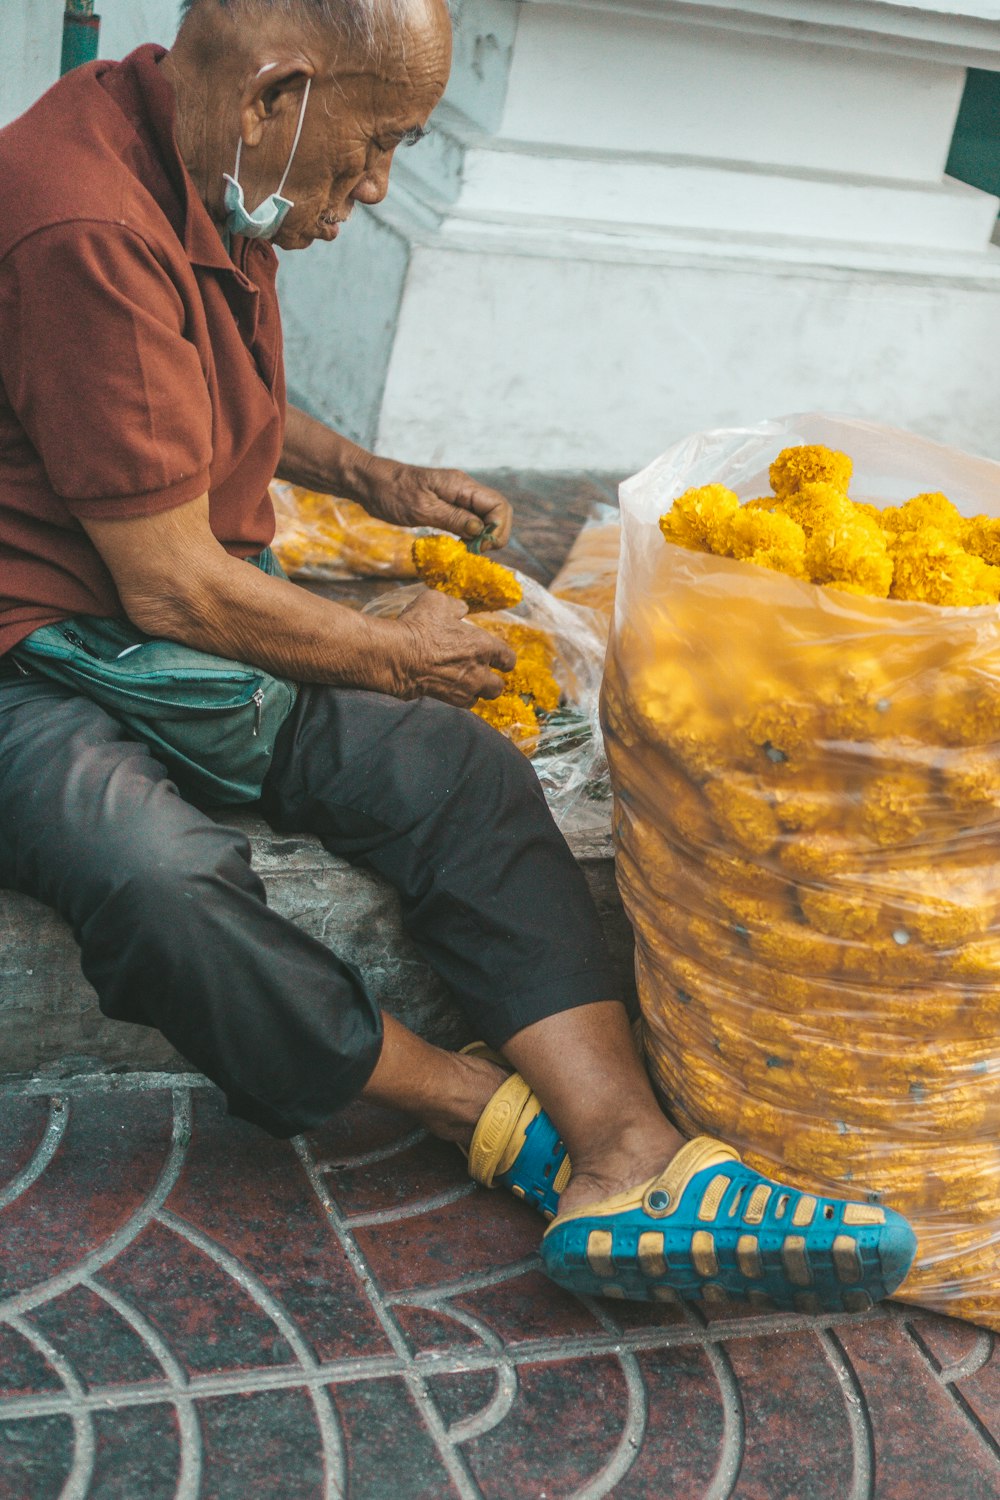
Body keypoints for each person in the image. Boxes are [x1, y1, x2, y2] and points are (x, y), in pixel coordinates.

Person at [0, 0, 916, 1312]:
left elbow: (184, 391)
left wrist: (372, 474)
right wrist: (388, 654)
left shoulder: (207, 154)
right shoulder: (76, 215)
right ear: (277, 94)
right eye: (373, 148)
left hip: (186, 617)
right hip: (39, 653)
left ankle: (630, 1151)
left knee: (456, 773)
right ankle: (480, 1111)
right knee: (151, 878)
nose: (373, 189)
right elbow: (175, 591)